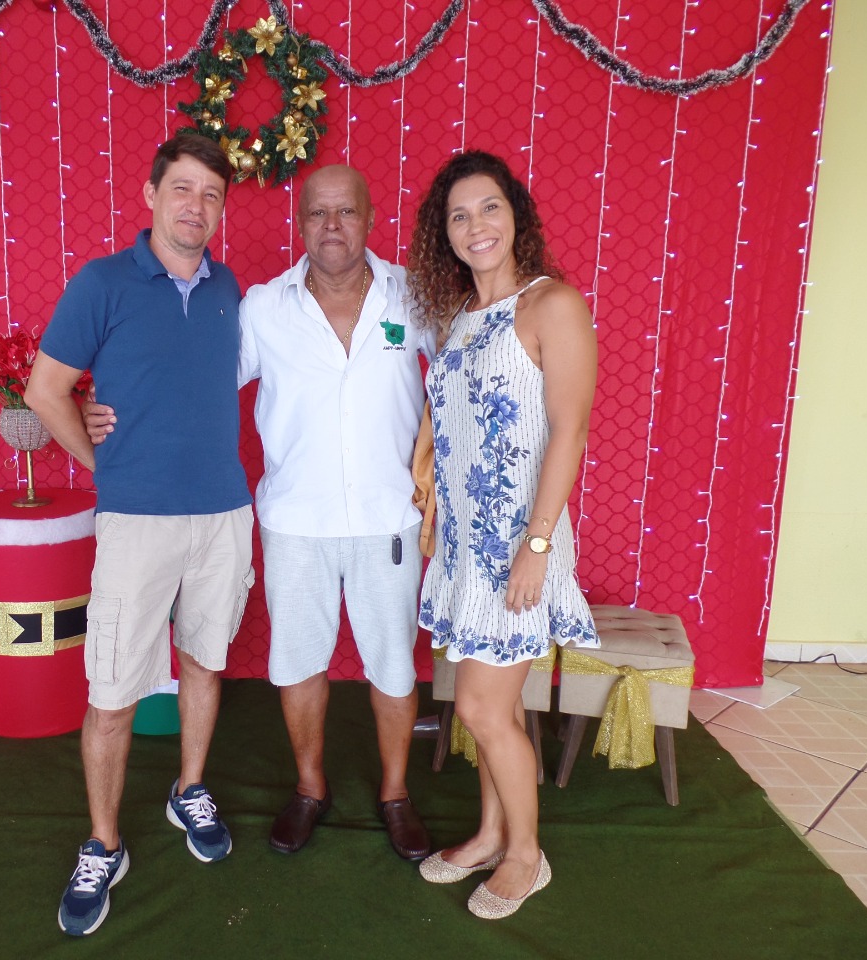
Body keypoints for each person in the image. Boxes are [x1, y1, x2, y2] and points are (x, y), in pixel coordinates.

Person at [83, 167, 437, 862]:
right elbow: (199, 379)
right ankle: (310, 787)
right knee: (299, 665)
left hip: (388, 517)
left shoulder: (412, 294)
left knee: (395, 668)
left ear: (370, 217)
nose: (331, 226)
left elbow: (457, 370)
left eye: (346, 212)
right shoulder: (265, 307)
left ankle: (396, 794)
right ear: (298, 223)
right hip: (294, 521)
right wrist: (109, 404)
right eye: (317, 213)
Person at [24, 135, 253, 938]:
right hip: (136, 520)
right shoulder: (102, 282)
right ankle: (104, 843)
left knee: (205, 660)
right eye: (182, 189)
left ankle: (189, 789)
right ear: (152, 195)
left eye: (212, 194)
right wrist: (104, 462)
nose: (197, 206)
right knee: (113, 691)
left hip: (224, 513)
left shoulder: (229, 287)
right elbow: (45, 389)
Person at [407, 150, 599, 919]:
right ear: (445, 233)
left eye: (489, 206)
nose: (476, 225)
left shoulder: (552, 305)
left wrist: (538, 546)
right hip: (466, 549)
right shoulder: (458, 317)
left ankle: (527, 855)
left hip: (520, 546)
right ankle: (491, 834)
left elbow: (569, 433)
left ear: (515, 213)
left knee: (482, 710)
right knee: (497, 708)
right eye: (458, 215)